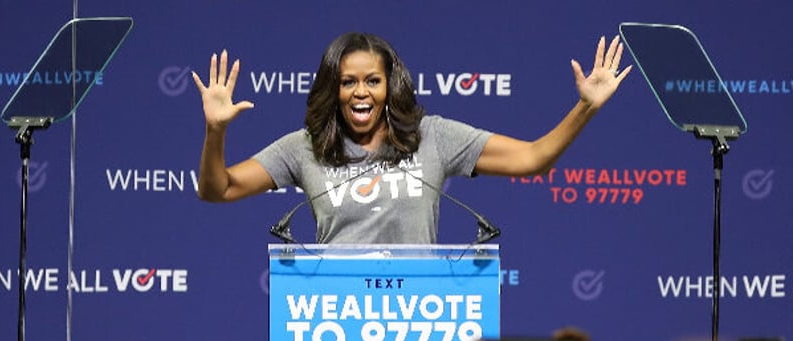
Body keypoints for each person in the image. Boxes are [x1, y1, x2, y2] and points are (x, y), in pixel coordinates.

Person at [192, 32, 631, 244]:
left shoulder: (433, 137)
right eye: (348, 83)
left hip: (417, 321)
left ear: (390, 87)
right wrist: (216, 131)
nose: (360, 92)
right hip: (330, 319)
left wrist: (586, 107)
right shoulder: (304, 146)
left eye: (372, 81)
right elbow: (218, 189)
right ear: (335, 89)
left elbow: (534, 157)